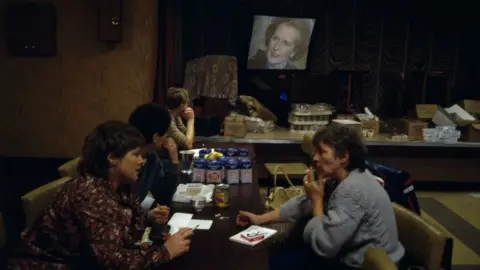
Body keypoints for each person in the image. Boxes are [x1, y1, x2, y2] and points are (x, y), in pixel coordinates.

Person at [8, 121, 192, 269]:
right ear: (112, 158)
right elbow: (113, 261)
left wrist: (146, 217)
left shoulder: (121, 186)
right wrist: (165, 251)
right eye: (136, 155)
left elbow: (119, 235)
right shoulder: (90, 195)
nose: (142, 161)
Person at [237, 124, 405, 270]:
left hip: (368, 265)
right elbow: (303, 203)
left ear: (344, 157)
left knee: (277, 262)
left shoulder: (352, 189)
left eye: (322, 152)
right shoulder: (345, 177)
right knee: (283, 252)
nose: (315, 158)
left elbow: (325, 246)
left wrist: (317, 201)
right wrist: (260, 219)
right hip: (357, 254)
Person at [128, 103, 180, 221]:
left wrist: (174, 160)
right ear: (156, 137)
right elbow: (117, 215)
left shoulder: (151, 157)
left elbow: (163, 197)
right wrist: (144, 217)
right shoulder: (124, 164)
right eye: (166, 134)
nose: (168, 138)